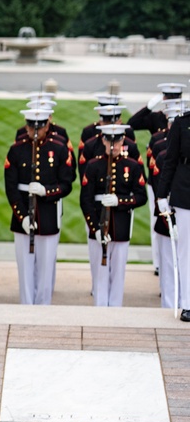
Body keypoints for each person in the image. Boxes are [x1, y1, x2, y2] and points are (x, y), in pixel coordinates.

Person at [4, 108, 75, 305]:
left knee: (45, 270)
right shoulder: (16, 150)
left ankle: (44, 306)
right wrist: (23, 217)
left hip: (48, 214)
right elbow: (11, 188)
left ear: (47, 126)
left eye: (40, 126)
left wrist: (47, 191)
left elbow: (67, 183)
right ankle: (26, 305)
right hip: (23, 217)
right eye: (30, 126)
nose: (34, 131)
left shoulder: (59, 149)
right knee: (25, 269)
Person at [80, 124, 147, 307]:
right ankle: (100, 308)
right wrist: (95, 228)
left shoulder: (131, 166)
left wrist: (120, 201)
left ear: (123, 140)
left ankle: (115, 308)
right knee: (100, 273)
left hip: (121, 224)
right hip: (99, 224)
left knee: (118, 272)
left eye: (117, 140)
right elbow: (85, 200)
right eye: (109, 140)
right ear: (103, 140)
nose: (113, 145)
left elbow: (141, 196)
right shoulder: (94, 166)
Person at [151, 96, 190, 320]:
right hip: (185, 191)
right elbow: (171, 160)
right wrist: (161, 194)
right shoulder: (182, 123)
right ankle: (187, 302)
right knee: (186, 250)